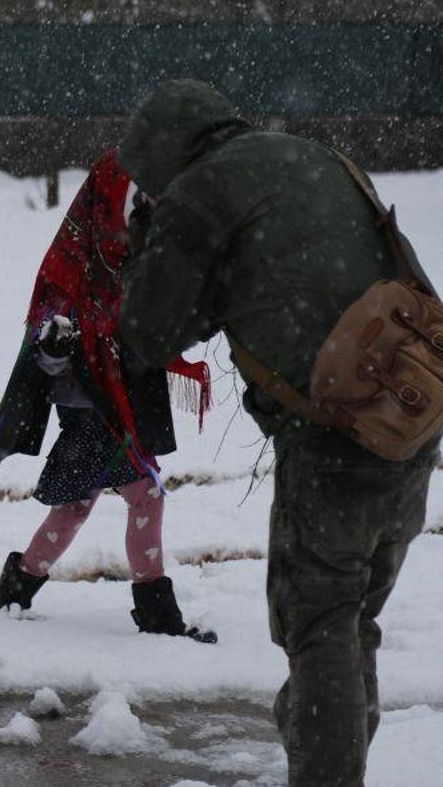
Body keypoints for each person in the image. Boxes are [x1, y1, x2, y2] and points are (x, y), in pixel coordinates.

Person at [117, 79, 439, 787]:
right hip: (411, 422)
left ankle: (325, 771)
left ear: (164, 156)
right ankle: (326, 753)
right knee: (349, 621)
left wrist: (147, 239)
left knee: (319, 626)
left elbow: (150, 333)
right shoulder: (311, 157)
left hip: (335, 441)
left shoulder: (201, 193)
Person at [0, 150, 215, 642]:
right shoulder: (77, 257)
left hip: (126, 394)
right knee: (143, 495)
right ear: (108, 196)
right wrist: (57, 347)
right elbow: (47, 346)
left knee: (78, 505)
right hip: (90, 406)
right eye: (134, 194)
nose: (142, 203)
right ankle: (157, 618)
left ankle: (18, 589)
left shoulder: (139, 253)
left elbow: (154, 319)